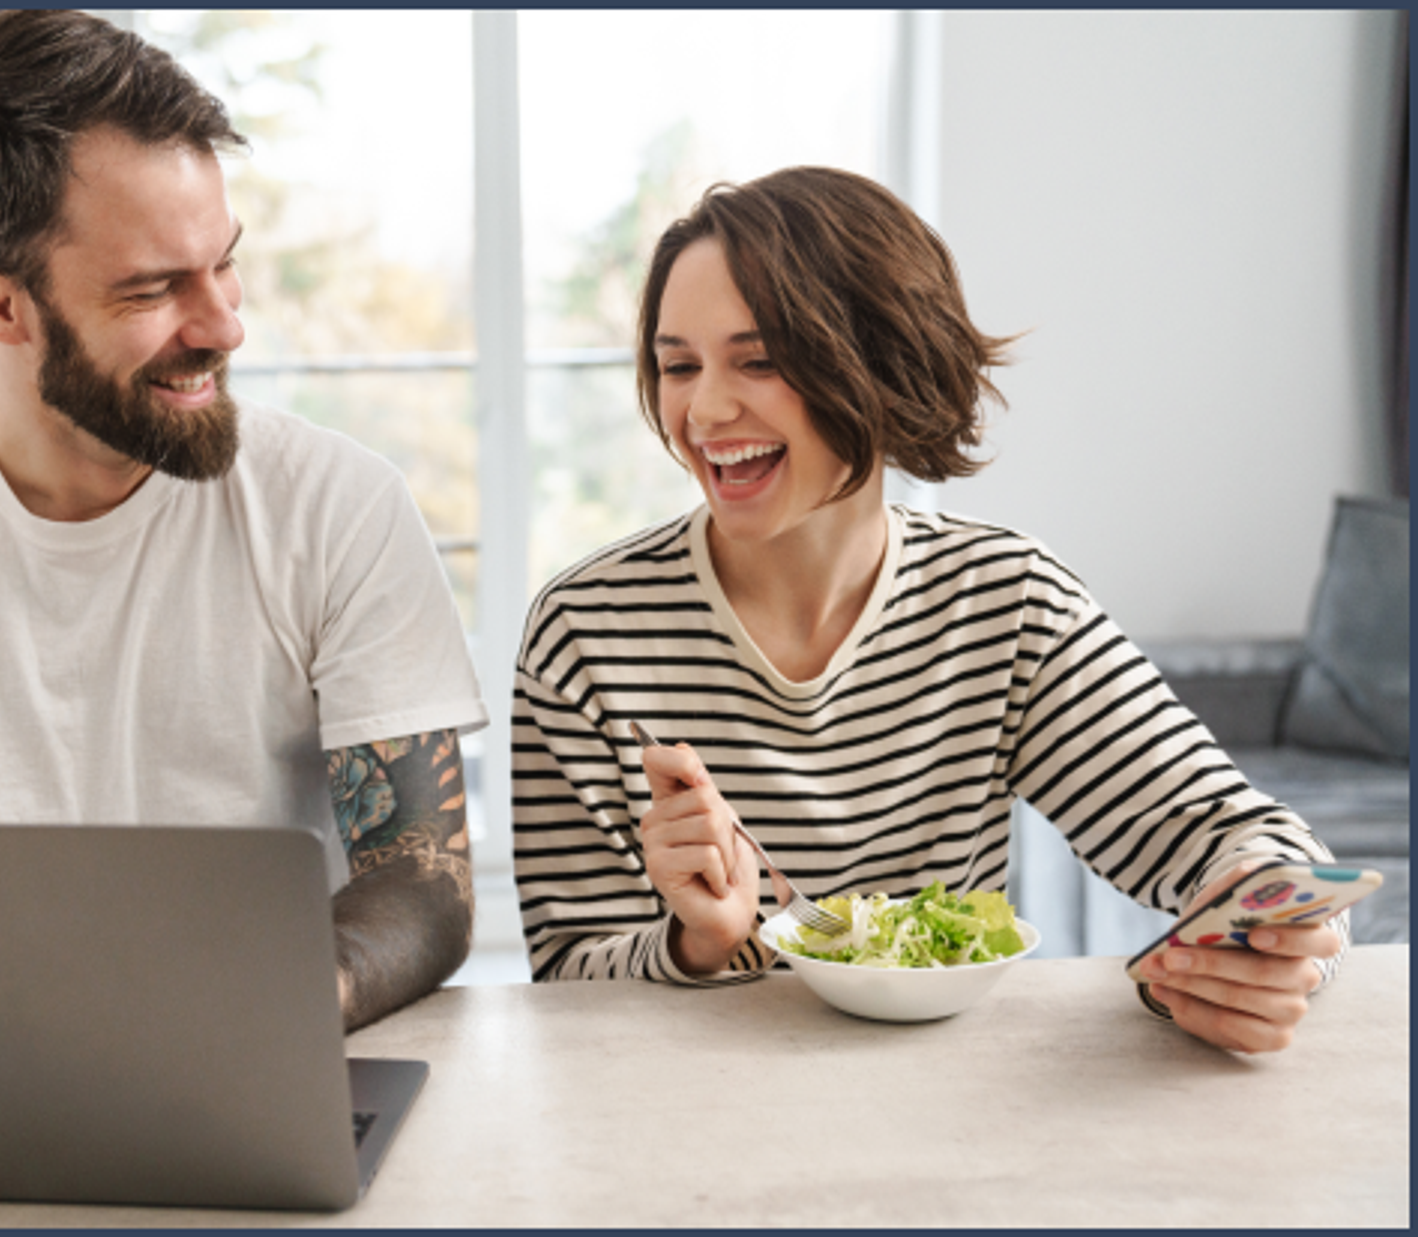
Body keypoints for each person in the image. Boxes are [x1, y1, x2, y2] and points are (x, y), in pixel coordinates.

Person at [0, 10, 488, 1032]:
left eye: (223, 262)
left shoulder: (338, 507)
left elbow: (422, 882)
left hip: (262, 1056)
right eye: (153, 289)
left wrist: (267, 1009)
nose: (223, 323)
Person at [511, 166, 1347, 1054]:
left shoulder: (1006, 604)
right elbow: (565, 980)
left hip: (953, 1121)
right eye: (679, 365)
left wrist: (1274, 949)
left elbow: (1240, 837)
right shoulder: (585, 633)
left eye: (758, 360)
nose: (705, 409)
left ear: (877, 360)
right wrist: (698, 943)